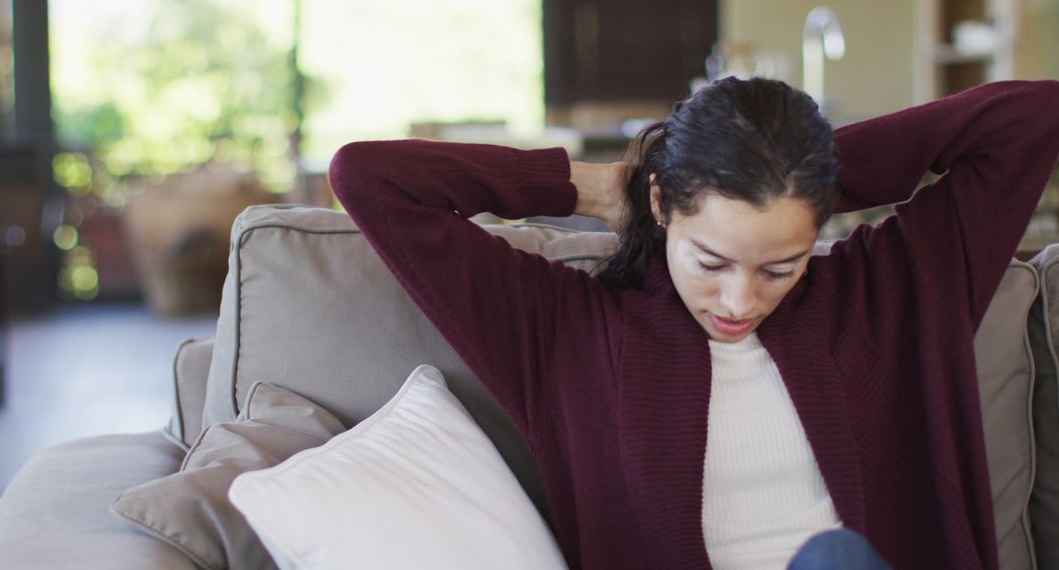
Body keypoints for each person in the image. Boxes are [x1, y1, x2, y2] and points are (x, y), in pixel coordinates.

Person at [330, 77, 1059, 569]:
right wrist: (597, 184)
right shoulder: (565, 334)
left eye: (780, 266)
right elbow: (369, 178)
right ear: (660, 206)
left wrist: (804, 175)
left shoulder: (892, 293)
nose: (740, 302)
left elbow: (1034, 116)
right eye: (711, 260)